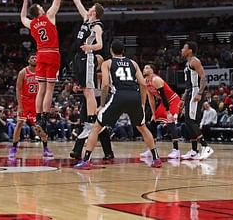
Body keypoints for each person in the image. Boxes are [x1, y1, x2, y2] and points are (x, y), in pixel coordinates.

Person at [74, 40, 162, 169]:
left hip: (118, 95)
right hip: (134, 96)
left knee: (96, 127)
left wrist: (102, 105)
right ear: (123, 51)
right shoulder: (133, 63)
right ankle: (156, 158)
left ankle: (86, 160)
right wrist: (142, 104)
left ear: (111, 50)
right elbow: (143, 84)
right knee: (142, 127)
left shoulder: (107, 63)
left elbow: (105, 85)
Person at [17, 0, 68, 138]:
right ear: (39, 11)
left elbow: (22, 17)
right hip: (52, 53)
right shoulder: (50, 16)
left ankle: (38, 118)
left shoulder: (31, 24)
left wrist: (24, 2)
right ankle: (44, 120)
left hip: (40, 54)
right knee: (49, 90)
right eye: (40, 6)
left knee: (41, 89)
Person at [67, 0, 105, 137]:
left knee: (89, 91)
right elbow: (77, 1)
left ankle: (91, 122)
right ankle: (90, 122)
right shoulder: (86, 19)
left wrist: (90, 47)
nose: (88, 8)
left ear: (95, 12)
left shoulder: (97, 26)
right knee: (85, 91)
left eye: (91, 8)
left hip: (87, 57)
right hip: (78, 58)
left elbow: (100, 45)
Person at [70, 54, 114, 161]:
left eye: (97, 61)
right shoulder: (88, 73)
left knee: (100, 127)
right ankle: (77, 151)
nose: (95, 63)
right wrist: (77, 87)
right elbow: (80, 86)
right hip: (89, 100)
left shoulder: (105, 73)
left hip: (101, 100)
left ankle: (108, 152)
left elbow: (107, 87)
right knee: (84, 125)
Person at [9, 53, 54, 159]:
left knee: (40, 127)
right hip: (25, 102)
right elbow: (18, 89)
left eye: (36, 57)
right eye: (32, 57)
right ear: (28, 60)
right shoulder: (23, 72)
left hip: (37, 102)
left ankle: (46, 148)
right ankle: (14, 148)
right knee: (19, 123)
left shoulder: (42, 72)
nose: (34, 59)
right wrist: (19, 105)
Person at [180, 41, 214, 160]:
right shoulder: (187, 63)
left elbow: (203, 77)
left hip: (195, 92)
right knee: (187, 120)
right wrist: (183, 98)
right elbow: (188, 84)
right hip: (190, 92)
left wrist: (199, 93)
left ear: (190, 50)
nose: (182, 50)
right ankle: (194, 151)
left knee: (191, 121)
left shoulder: (195, 61)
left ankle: (205, 146)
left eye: (184, 47)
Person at [141, 64, 182, 159]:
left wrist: (168, 113)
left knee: (170, 121)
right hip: (164, 102)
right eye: (144, 67)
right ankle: (151, 149)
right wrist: (153, 113)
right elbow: (151, 99)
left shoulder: (156, 80)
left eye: (147, 67)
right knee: (153, 123)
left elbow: (163, 96)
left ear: (152, 70)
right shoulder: (145, 81)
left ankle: (176, 150)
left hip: (172, 100)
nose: (144, 69)